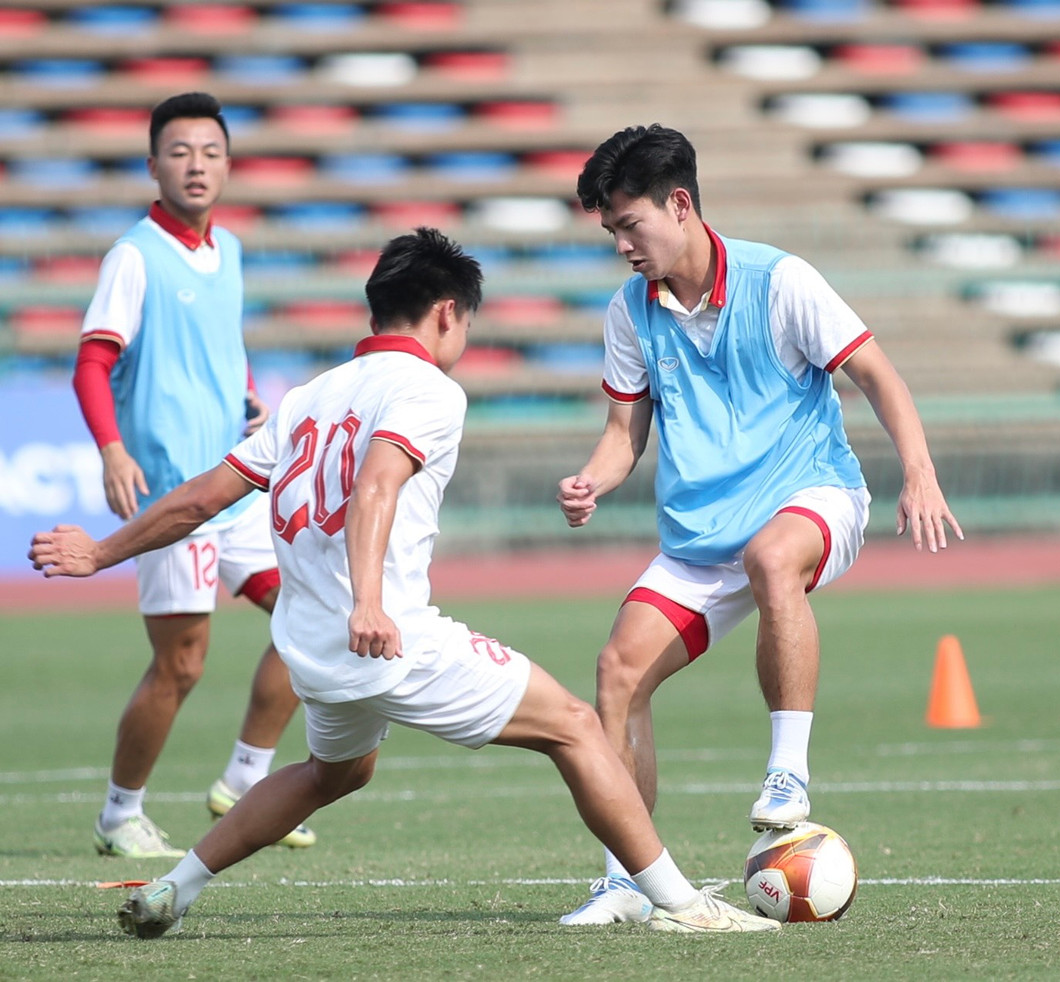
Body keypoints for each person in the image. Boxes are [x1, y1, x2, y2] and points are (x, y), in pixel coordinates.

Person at [31, 228, 779, 938]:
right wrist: (368, 601)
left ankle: (175, 887)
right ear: (447, 312)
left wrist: (101, 552)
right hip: (386, 635)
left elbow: (201, 498)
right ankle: (681, 904)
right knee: (577, 728)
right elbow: (377, 487)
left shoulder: (308, 396)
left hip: (309, 647)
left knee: (334, 772)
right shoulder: (427, 391)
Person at [555, 124, 963, 924]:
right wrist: (591, 482)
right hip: (702, 535)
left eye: (628, 226)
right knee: (616, 675)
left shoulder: (782, 281)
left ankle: (788, 776)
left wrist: (919, 470)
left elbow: (876, 373)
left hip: (812, 497)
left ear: (680, 206)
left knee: (773, 557)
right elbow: (622, 433)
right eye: (610, 232)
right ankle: (627, 882)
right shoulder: (629, 311)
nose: (621, 247)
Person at [72, 91, 313, 858]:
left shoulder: (230, 251)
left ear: (229, 164)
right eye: (179, 152)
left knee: (313, 619)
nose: (196, 165)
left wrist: (245, 397)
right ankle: (119, 814)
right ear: (152, 165)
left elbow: (222, 343)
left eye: (210, 152)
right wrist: (113, 449)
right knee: (181, 664)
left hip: (235, 488)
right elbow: (92, 362)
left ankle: (247, 776)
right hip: (175, 496)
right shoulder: (133, 256)